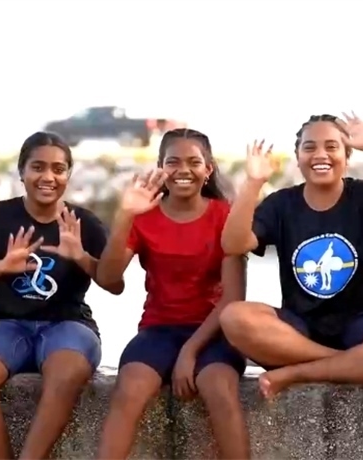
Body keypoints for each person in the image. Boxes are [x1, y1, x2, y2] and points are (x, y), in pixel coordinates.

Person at [219, 112, 363, 399]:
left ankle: (297, 372)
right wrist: (253, 183)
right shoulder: (281, 204)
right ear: (298, 157)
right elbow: (233, 244)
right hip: (299, 328)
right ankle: (346, 362)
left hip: (362, 323)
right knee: (233, 317)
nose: (320, 154)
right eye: (309, 147)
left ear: (346, 155)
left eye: (331, 146)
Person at [0, 132, 122, 460]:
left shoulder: (83, 222)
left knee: (65, 375)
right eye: (38, 167)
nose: (48, 177)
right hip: (9, 325)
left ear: (68, 175)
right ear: (22, 171)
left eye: (58, 169)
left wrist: (81, 256)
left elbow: (115, 284)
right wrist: (1, 265)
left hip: (69, 325)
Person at [95, 129, 250, 459]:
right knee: (130, 389)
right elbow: (107, 278)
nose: (183, 170)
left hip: (215, 331)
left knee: (218, 388)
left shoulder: (226, 215)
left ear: (208, 169)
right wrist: (125, 215)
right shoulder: (144, 217)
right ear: (161, 167)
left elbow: (233, 299)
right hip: (159, 329)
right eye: (173, 162)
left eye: (194, 162)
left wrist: (189, 352)